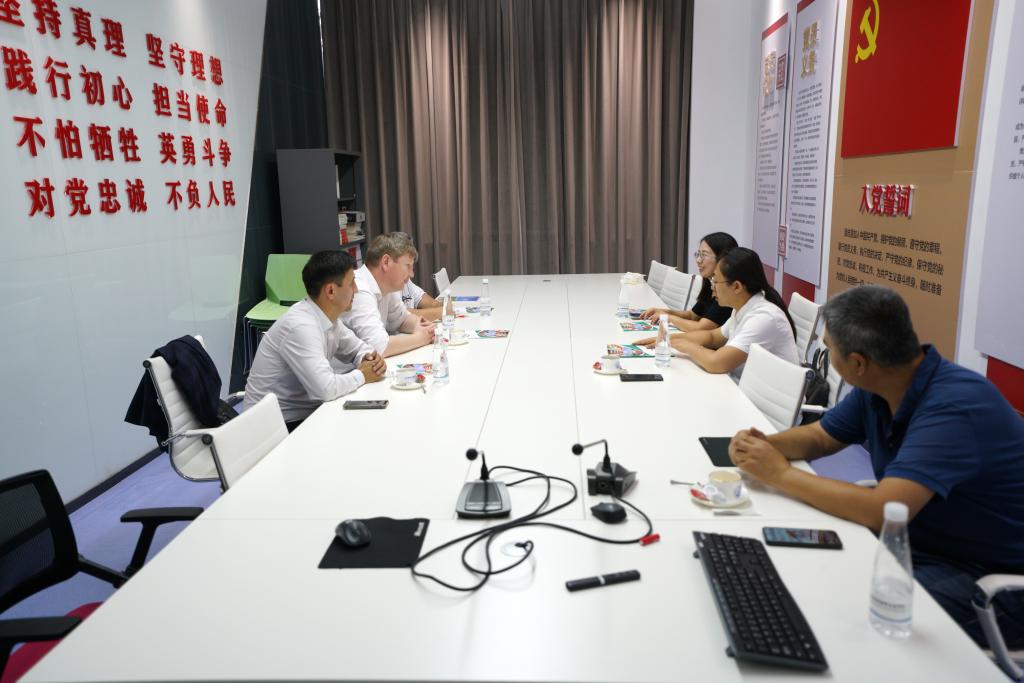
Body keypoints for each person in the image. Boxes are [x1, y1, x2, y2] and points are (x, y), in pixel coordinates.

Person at [728, 284, 1024, 649]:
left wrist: (780, 474)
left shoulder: (954, 408)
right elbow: (820, 437)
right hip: (921, 543)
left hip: (989, 578)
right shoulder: (884, 383)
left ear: (857, 363)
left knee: (844, 622)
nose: (825, 354)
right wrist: (763, 445)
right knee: (809, 582)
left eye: (829, 348)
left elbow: (883, 510)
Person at [244, 250, 387, 430]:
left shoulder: (328, 318)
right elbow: (325, 389)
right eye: (351, 283)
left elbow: (357, 348)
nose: (356, 290)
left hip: (304, 414)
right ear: (331, 291)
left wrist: (368, 359)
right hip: (273, 428)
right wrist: (363, 374)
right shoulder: (301, 326)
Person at [638, 247, 798, 379]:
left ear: (736, 287)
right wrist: (670, 338)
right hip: (743, 389)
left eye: (716, 281)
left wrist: (684, 345)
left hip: (760, 404)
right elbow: (713, 337)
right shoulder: (743, 307)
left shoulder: (763, 318)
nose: (712, 287)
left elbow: (716, 363)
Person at [343, 232, 435, 356]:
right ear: (386, 262)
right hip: (347, 367)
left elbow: (402, 319)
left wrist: (424, 328)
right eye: (408, 266)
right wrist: (421, 338)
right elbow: (379, 347)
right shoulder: (359, 289)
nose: (412, 274)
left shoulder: (387, 288)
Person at [641, 231, 738, 331]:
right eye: (698, 254)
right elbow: (692, 315)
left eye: (704, 255)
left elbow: (701, 328)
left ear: (722, 259)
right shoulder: (709, 284)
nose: (698, 260)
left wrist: (667, 317)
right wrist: (663, 311)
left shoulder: (726, 292)